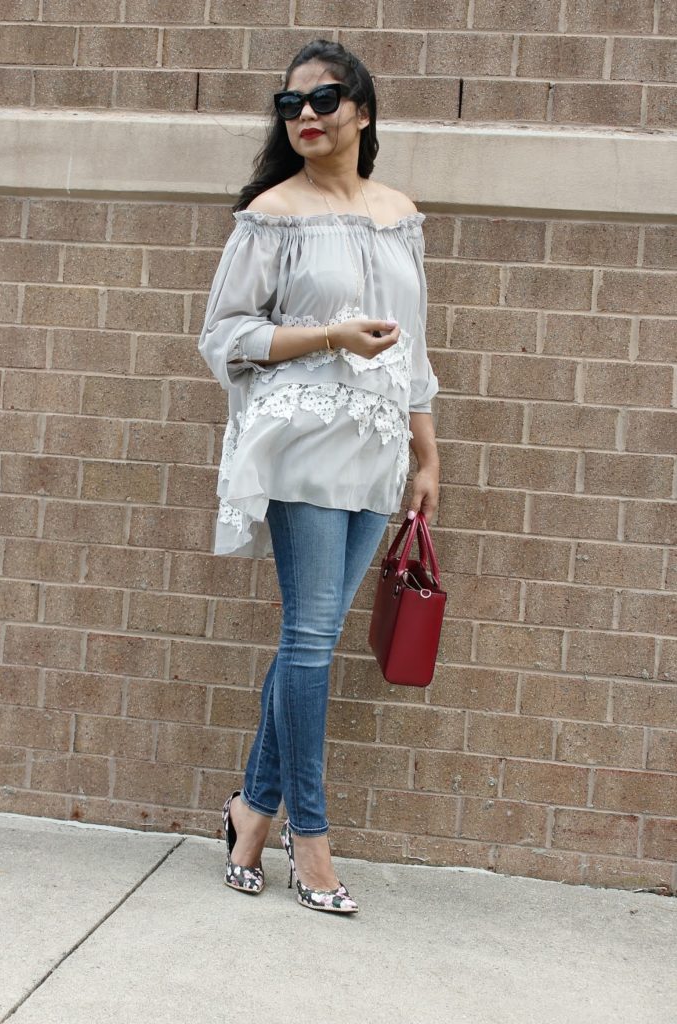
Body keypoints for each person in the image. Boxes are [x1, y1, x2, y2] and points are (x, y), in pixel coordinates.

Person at [198, 39, 440, 914]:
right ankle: (310, 838)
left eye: (324, 99)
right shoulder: (272, 214)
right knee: (308, 639)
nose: (305, 114)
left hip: (377, 452)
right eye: (289, 104)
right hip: (301, 443)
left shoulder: (398, 214)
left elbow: (412, 352)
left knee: (314, 640)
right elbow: (225, 336)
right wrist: (330, 336)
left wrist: (426, 454)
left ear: (361, 112)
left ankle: (249, 812)